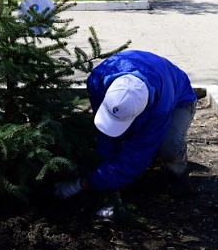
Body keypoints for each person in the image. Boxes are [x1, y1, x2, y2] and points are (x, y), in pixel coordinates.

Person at [54, 50, 197, 211]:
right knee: (120, 136)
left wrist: (80, 184)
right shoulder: (98, 80)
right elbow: (106, 136)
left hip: (180, 100)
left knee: (170, 146)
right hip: (150, 80)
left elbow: (135, 157)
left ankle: (179, 175)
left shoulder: (160, 109)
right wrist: (107, 175)